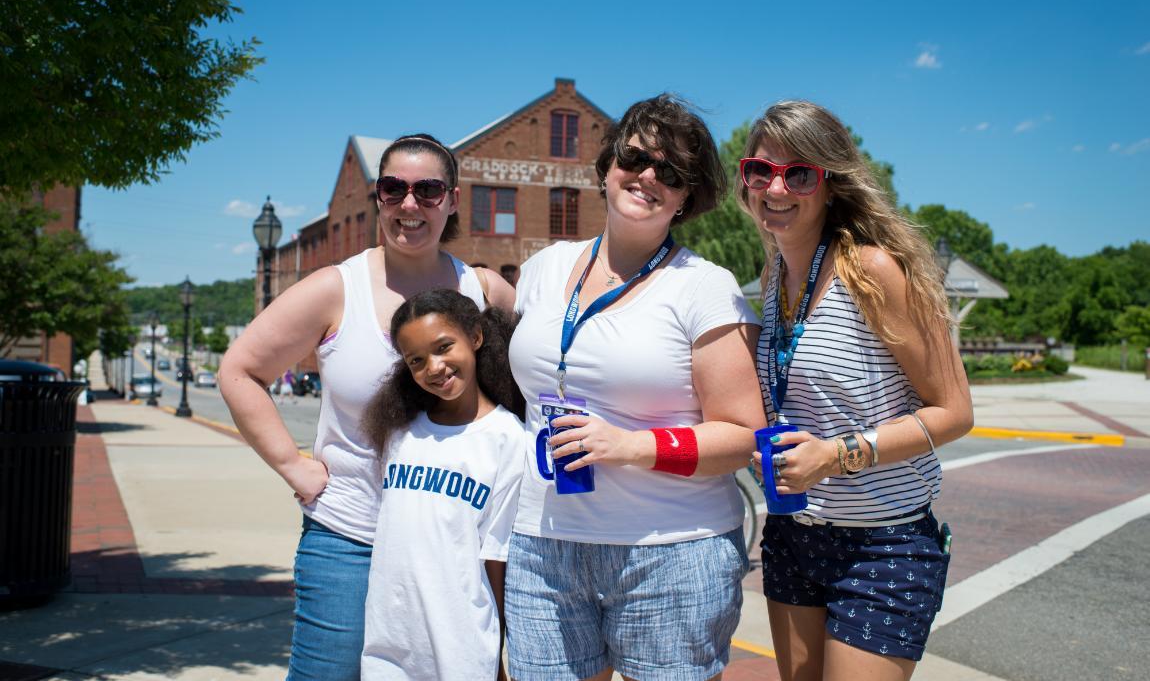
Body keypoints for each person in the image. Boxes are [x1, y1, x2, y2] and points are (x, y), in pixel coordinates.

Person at [218, 134, 515, 681]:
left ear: (452, 200)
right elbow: (238, 370)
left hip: (453, 541)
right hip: (351, 537)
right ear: (378, 198)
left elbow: (518, 394)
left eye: (428, 190)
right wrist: (293, 465)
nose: (410, 205)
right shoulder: (336, 288)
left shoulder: (486, 292)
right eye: (393, 189)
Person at [505, 94, 768, 681]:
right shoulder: (545, 268)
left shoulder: (705, 287)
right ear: (607, 166)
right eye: (635, 157)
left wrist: (629, 446)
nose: (648, 176)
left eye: (671, 173)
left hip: (671, 552)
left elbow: (743, 436)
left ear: (684, 200)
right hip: (542, 545)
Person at [742, 101, 973, 681]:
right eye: (760, 169)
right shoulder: (775, 278)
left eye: (799, 173)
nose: (776, 187)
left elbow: (955, 412)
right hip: (793, 533)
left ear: (829, 183)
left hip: (884, 545)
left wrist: (836, 454)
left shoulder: (873, 270)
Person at [359, 289, 526, 681]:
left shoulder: (508, 438)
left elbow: (496, 560)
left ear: (476, 337)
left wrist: (500, 652)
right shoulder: (400, 433)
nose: (433, 367)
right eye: (417, 360)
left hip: (462, 647)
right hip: (389, 644)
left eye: (443, 347)